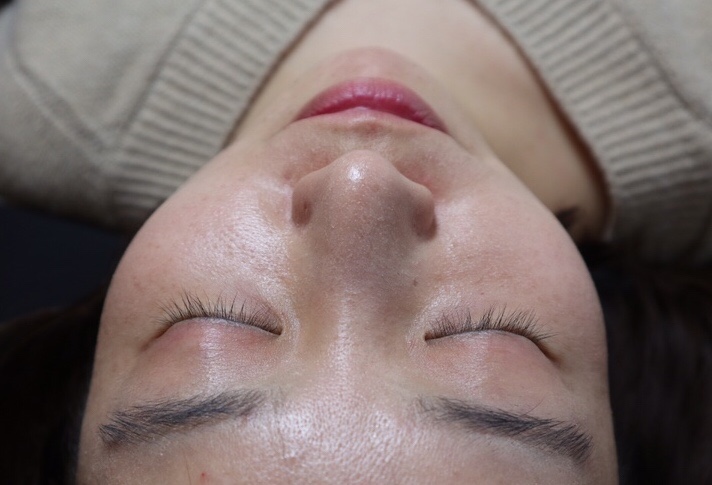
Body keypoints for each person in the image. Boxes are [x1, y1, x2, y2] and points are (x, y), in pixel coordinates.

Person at [1, 0, 711, 483]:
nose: (360, 180)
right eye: (490, 343)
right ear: (614, 401)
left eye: (212, 329)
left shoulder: (31, 93)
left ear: (86, 367)